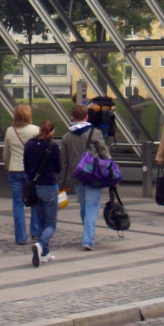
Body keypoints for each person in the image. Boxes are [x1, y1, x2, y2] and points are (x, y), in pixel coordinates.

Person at [60, 103, 111, 251]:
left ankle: (87, 235)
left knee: (83, 205)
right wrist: (111, 172)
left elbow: (64, 161)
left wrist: (62, 182)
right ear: (87, 117)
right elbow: (104, 153)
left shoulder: (66, 137)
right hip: (94, 175)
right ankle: (88, 239)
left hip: (77, 175)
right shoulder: (95, 133)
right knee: (92, 206)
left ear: (73, 117)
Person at [23, 120, 61, 267]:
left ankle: (45, 254)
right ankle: (40, 244)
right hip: (49, 186)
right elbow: (58, 168)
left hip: (33, 187)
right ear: (51, 132)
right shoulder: (53, 146)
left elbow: (26, 165)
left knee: (41, 221)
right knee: (51, 223)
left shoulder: (29, 145)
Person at [2, 104, 39, 245]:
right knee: (35, 201)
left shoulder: (10, 131)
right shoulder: (35, 130)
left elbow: (6, 152)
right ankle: (35, 233)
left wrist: (7, 165)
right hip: (31, 171)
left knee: (17, 204)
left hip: (15, 170)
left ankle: (20, 237)